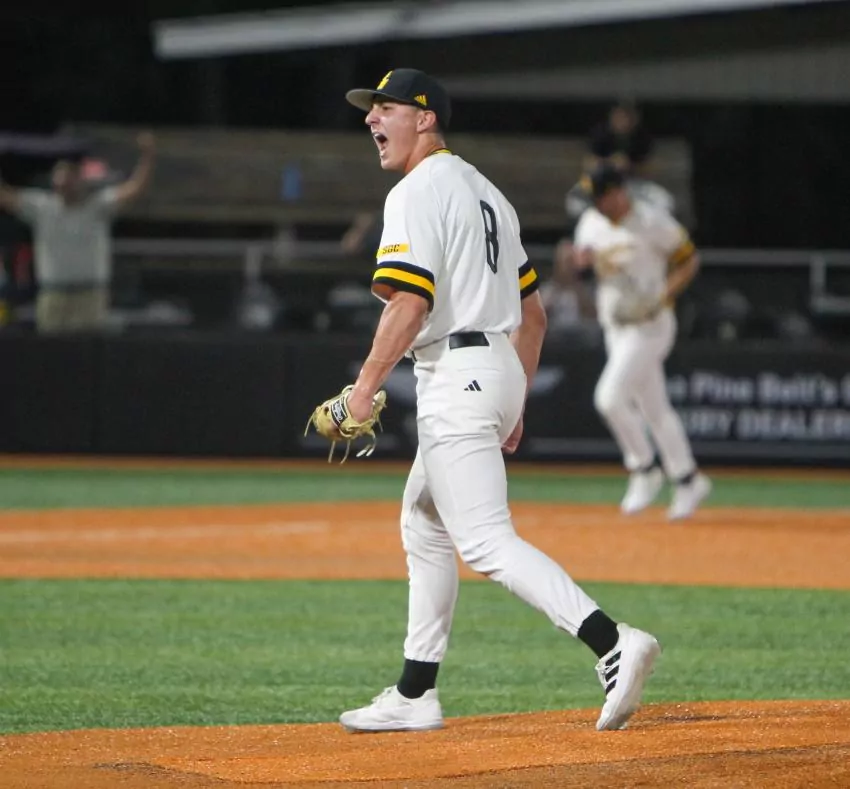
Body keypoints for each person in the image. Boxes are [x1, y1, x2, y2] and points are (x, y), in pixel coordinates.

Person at [335, 68, 660, 734]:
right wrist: (514, 400)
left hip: (457, 373)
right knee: (424, 519)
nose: (372, 118)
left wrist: (364, 387)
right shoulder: (489, 193)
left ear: (425, 117)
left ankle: (612, 640)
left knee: (484, 540)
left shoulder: (415, 190)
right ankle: (415, 691)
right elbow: (532, 315)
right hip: (494, 368)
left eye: (386, 107)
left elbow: (409, 301)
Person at [572, 163, 711, 520]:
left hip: (650, 325)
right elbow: (583, 267)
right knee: (655, 409)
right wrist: (582, 264)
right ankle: (688, 479)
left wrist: (662, 295)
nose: (597, 204)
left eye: (601, 196)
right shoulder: (590, 222)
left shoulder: (652, 220)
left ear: (618, 192)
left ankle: (644, 468)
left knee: (609, 398)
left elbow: (689, 259)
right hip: (614, 325)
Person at [0, 132, 156, 334]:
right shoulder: (42, 207)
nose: (65, 184)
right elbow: (5, 197)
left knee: (88, 349)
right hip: (54, 294)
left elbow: (134, 189)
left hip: (89, 295)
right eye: (61, 178)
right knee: (51, 349)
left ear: (80, 180)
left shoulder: (98, 206)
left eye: (70, 178)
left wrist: (148, 157)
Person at [586, 100, 654, 179]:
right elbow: (589, 164)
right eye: (619, 117)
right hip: (604, 178)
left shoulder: (642, 137)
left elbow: (650, 169)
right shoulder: (600, 134)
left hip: (634, 179)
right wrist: (611, 162)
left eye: (628, 117)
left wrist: (629, 165)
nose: (624, 122)